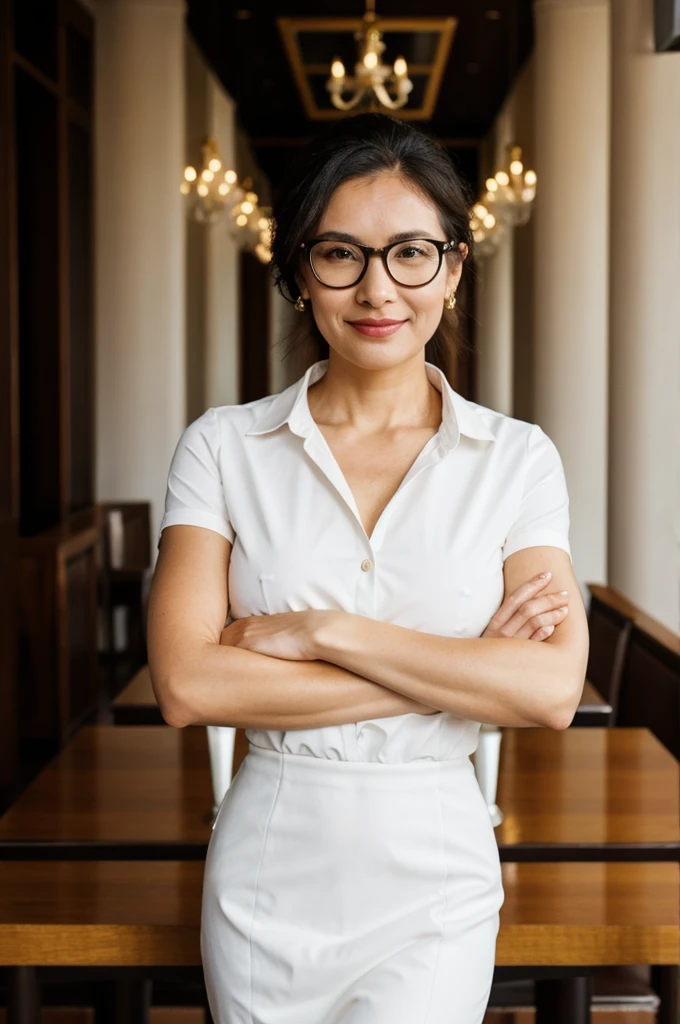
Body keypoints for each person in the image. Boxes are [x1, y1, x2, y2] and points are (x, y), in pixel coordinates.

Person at [147, 112, 589, 1024]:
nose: (378, 288)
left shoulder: (518, 460)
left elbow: (548, 691)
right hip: (268, 872)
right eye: (341, 254)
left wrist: (324, 633)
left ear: (453, 269)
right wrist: (463, 667)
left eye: (411, 254)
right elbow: (187, 683)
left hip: (435, 875)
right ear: (299, 274)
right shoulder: (224, 449)